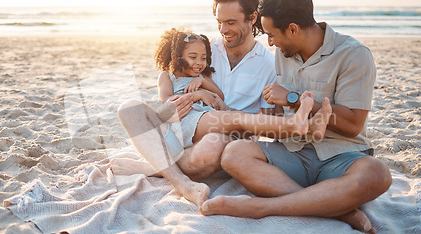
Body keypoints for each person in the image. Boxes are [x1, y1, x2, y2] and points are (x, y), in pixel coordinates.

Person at [200, 0, 392, 234]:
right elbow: (281, 119)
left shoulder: (354, 55)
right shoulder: (284, 52)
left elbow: (354, 124)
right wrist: (246, 120)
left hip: (340, 157)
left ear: (292, 29)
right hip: (292, 152)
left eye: (272, 34)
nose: (269, 42)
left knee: (378, 174)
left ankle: (261, 207)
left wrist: (293, 99)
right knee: (234, 154)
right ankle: (338, 209)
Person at [115, 27, 331, 206]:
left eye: (203, 58)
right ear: (176, 57)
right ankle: (296, 126)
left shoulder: (204, 75)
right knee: (129, 107)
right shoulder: (167, 75)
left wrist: (201, 89)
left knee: (235, 120)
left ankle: (298, 125)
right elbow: (167, 101)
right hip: (184, 120)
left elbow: (218, 95)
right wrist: (177, 107)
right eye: (192, 57)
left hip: (201, 118)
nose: (199, 62)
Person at [112, 0, 281, 204]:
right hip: (180, 129)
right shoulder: (203, 50)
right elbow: (172, 81)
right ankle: (178, 179)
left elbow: (266, 125)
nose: (223, 30)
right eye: (219, 22)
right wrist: (174, 105)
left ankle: (157, 165)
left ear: (252, 18)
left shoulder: (269, 64)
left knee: (215, 144)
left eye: (230, 22)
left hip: (219, 144)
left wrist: (225, 112)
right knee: (128, 108)